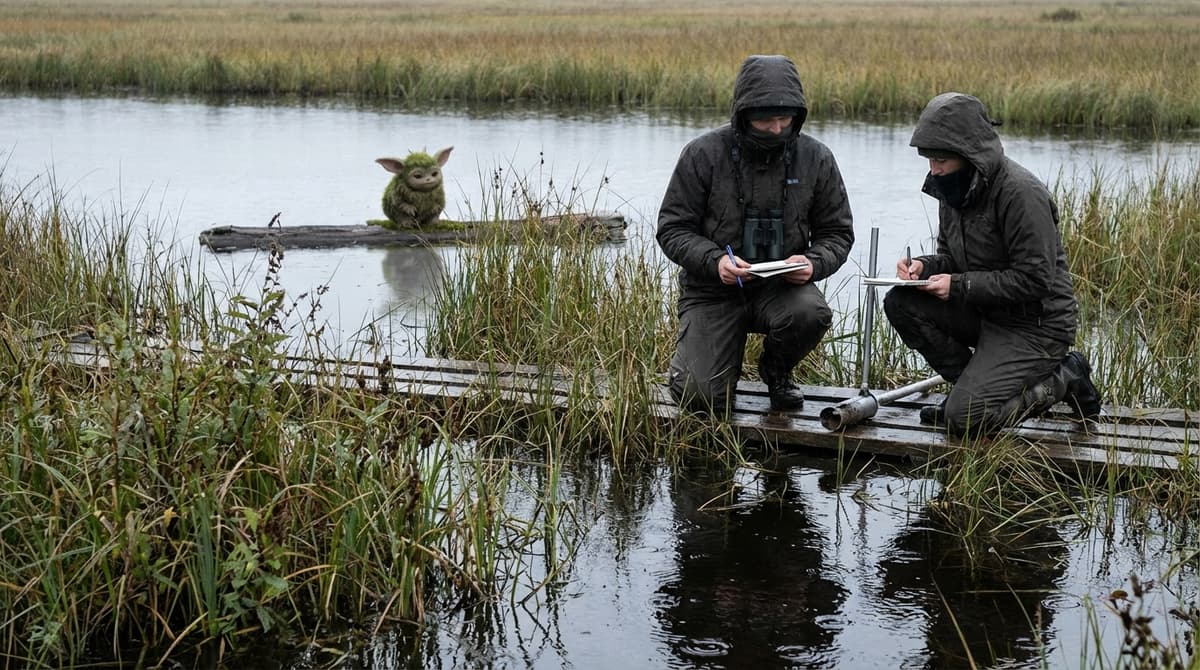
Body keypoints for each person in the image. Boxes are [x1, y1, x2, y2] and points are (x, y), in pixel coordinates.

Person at [882, 92, 1102, 436]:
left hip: (1037, 326)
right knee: (901, 301)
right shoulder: (952, 189)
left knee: (965, 420)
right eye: (929, 160)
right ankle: (971, 389)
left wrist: (957, 285)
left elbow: (1036, 279)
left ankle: (1066, 376)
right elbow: (952, 258)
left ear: (969, 155)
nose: (933, 169)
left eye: (941, 160)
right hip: (987, 313)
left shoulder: (1021, 194)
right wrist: (924, 267)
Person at [656, 54, 854, 416]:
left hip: (782, 290)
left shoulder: (817, 158)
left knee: (811, 313)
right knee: (699, 399)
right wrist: (715, 262)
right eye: (766, 120)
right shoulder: (702, 154)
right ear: (743, 115)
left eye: (785, 118)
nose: (778, 129)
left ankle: (776, 373)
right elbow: (672, 228)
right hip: (712, 291)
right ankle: (712, 372)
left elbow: (837, 233)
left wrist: (812, 264)